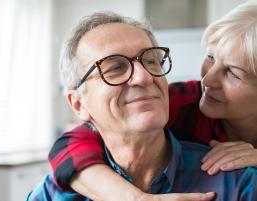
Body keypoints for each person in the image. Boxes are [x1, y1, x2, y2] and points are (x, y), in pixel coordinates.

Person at [27, 11, 257, 201]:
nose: (145, 77)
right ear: (78, 103)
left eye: (150, 60)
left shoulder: (241, 185)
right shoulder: (187, 99)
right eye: (115, 67)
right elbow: (68, 147)